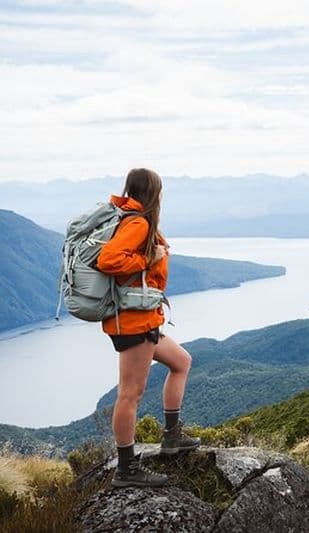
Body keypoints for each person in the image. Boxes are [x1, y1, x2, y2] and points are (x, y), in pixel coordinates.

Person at [96, 168, 200, 488]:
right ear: (154, 193)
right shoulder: (137, 223)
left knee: (181, 361)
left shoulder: (136, 219)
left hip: (146, 319)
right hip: (133, 323)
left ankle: (171, 436)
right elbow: (108, 260)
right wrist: (147, 259)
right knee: (130, 394)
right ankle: (126, 470)